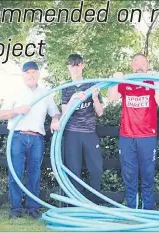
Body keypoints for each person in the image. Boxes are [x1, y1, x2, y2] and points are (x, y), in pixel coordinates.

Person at [0, 61, 61, 219]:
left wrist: (55, 120)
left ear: (38, 74)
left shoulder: (46, 93)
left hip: (36, 139)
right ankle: (15, 209)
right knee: (16, 174)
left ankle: (32, 208)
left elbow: (55, 113)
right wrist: (16, 110)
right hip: (17, 137)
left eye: (34, 72)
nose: (31, 75)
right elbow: (2, 115)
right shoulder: (15, 92)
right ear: (23, 75)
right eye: (27, 72)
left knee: (34, 174)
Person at [107, 53, 159, 210]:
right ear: (131, 65)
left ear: (147, 66)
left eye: (143, 63)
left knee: (148, 173)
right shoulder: (125, 82)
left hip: (147, 136)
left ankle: (147, 208)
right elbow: (112, 97)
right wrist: (116, 79)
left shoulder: (152, 82)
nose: (139, 66)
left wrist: (156, 82)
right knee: (129, 174)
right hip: (127, 136)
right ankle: (132, 208)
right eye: (136, 63)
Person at [61, 54, 104, 198]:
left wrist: (95, 98)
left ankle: (93, 203)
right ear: (68, 67)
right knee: (73, 170)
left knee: (96, 168)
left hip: (89, 132)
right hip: (72, 133)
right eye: (72, 65)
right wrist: (73, 99)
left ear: (83, 65)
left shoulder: (92, 85)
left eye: (78, 64)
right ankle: (76, 203)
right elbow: (64, 114)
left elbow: (100, 112)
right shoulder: (66, 88)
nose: (75, 67)